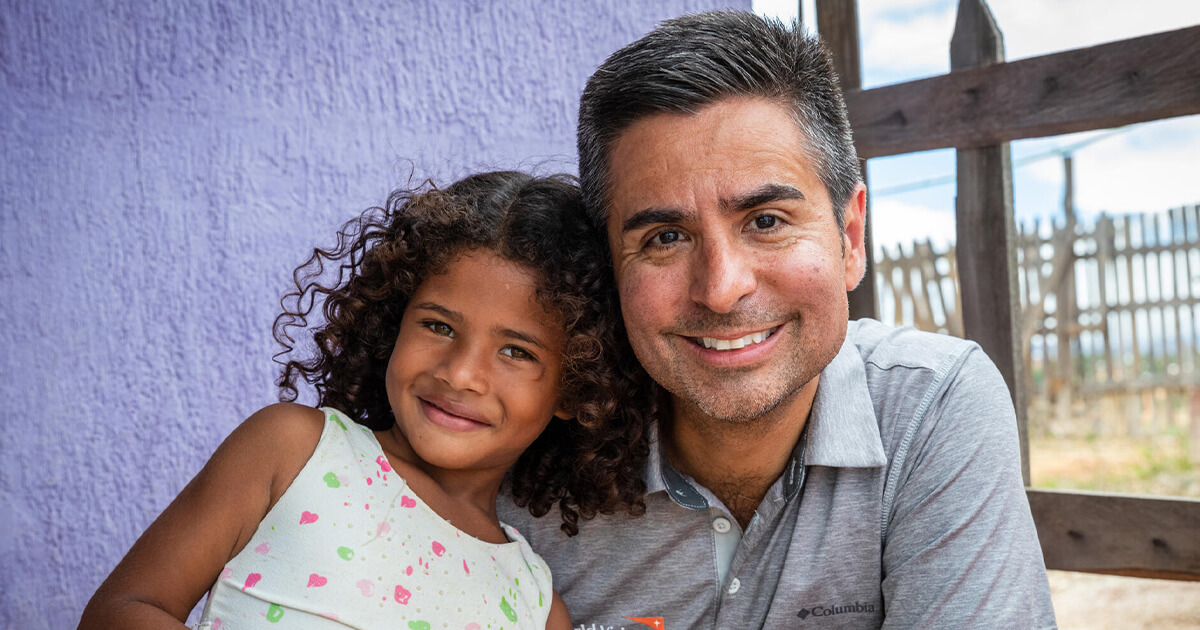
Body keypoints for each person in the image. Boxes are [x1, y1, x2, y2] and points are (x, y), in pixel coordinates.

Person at [499, 12, 1057, 629]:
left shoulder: (928, 406)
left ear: (850, 237)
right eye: (665, 237)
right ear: (609, 267)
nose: (721, 289)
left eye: (766, 221)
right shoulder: (527, 439)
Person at [80, 171, 657, 629]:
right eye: (438, 326)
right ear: (392, 322)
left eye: (516, 352)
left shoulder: (533, 605)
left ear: (577, 387)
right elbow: (122, 609)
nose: (461, 374)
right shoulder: (294, 450)